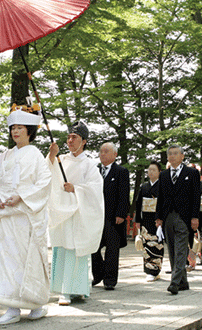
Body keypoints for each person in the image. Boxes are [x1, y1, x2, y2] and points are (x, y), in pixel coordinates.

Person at [0, 107, 52, 324]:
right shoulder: (4, 155)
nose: (15, 131)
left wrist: (21, 196)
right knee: (5, 261)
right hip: (3, 213)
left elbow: (44, 182)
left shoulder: (36, 155)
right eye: (13, 127)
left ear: (29, 130)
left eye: (20, 127)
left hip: (23, 215)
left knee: (25, 260)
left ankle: (36, 303)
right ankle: (11, 307)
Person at [48, 121, 104, 305]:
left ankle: (77, 289)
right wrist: (51, 157)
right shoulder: (60, 160)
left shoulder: (89, 164)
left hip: (78, 213)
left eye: (75, 137)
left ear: (84, 141)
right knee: (62, 249)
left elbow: (95, 189)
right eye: (69, 137)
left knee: (75, 250)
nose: (70, 141)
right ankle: (63, 289)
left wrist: (76, 188)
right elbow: (48, 176)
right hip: (63, 212)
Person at [155, 145, 200, 295]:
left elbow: (196, 197)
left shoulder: (192, 173)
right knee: (173, 249)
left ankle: (174, 282)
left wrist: (195, 217)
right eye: (170, 154)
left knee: (181, 248)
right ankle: (183, 281)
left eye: (176, 153)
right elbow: (160, 198)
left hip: (184, 216)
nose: (173, 156)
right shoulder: (164, 175)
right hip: (168, 216)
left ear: (182, 156)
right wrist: (159, 217)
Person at [92, 142, 130, 290]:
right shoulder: (94, 171)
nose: (102, 154)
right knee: (93, 249)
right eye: (101, 151)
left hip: (113, 217)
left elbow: (124, 194)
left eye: (106, 151)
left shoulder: (121, 171)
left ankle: (109, 280)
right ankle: (98, 273)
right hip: (95, 217)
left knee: (112, 250)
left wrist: (121, 213)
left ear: (115, 154)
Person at [134, 161, 164, 282]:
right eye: (149, 170)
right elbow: (138, 204)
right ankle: (149, 270)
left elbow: (163, 204)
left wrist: (161, 218)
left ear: (159, 172)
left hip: (157, 219)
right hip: (145, 219)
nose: (150, 172)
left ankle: (156, 270)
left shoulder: (162, 186)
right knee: (146, 245)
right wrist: (137, 220)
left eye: (153, 170)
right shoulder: (144, 187)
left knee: (157, 244)